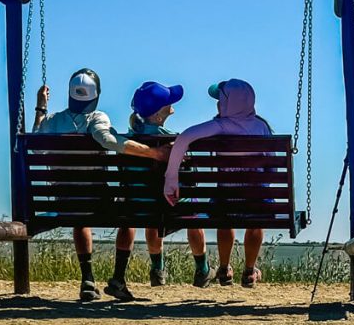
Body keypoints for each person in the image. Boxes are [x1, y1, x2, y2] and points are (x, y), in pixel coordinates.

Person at [34, 68, 169, 302]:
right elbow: (106, 139)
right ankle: (118, 277)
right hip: (98, 201)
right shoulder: (97, 118)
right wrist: (154, 153)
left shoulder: (53, 121)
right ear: (95, 96)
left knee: (80, 215)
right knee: (127, 210)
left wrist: (41, 108)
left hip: (65, 201)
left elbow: (36, 146)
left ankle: (87, 278)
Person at [163, 78, 271, 288]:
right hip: (255, 201)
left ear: (226, 103)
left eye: (219, 99)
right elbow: (271, 168)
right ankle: (249, 270)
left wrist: (171, 179)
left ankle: (224, 268)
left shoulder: (219, 126)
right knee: (258, 212)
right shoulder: (262, 127)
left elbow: (184, 138)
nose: (217, 104)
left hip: (226, 201)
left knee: (224, 212)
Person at [127, 81, 212, 288]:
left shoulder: (128, 142)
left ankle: (157, 269)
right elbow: (188, 178)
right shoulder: (176, 141)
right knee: (191, 204)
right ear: (158, 115)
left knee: (151, 210)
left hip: (139, 205)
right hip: (174, 205)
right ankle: (202, 269)